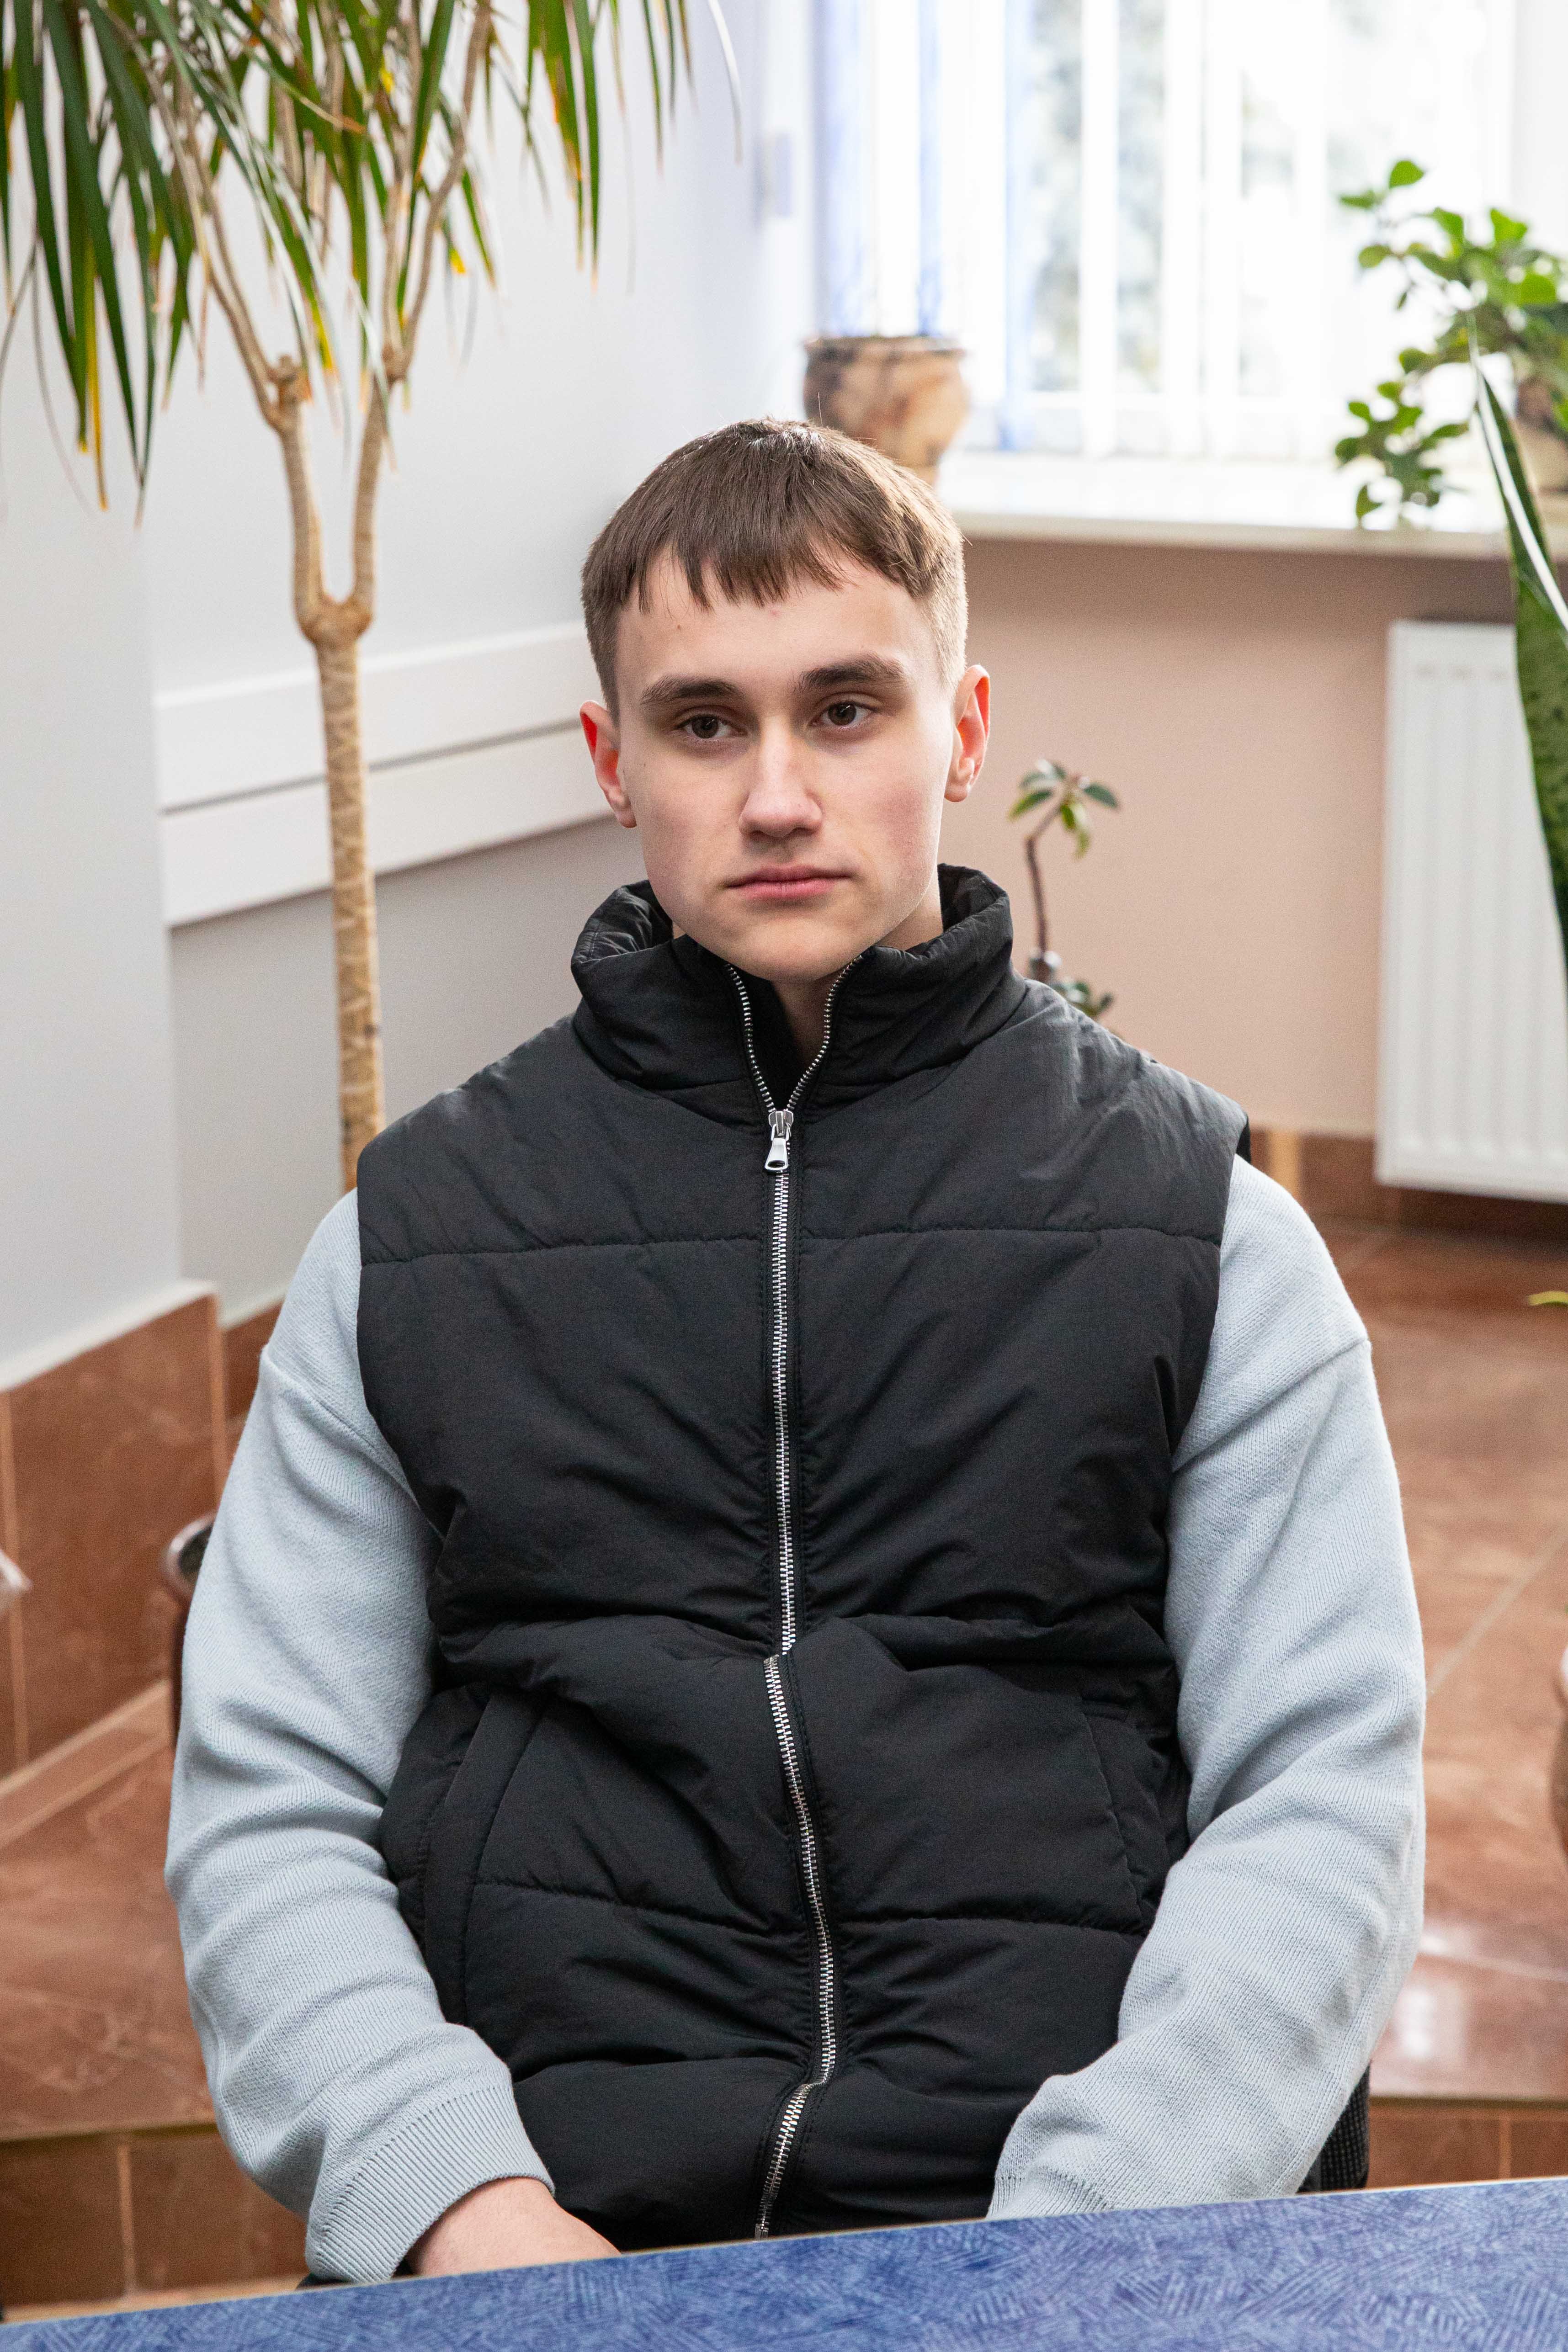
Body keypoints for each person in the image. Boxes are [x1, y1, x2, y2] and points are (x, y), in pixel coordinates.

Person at [167, 419, 1424, 2287]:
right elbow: (267, 1803)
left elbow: (1325, 1797)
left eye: (845, 709)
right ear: (611, 760)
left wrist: (1081, 2244)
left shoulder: (1209, 1234)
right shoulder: (407, 1246)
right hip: (546, 2224)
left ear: (961, 728)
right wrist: (459, 2206)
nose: (776, 795)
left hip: (1077, 2226)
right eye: (703, 722)